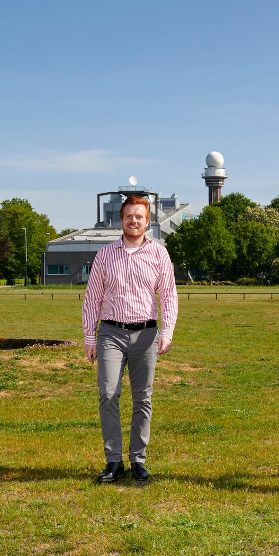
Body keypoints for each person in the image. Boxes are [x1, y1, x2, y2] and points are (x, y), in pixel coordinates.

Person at [83, 195, 179, 483]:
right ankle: (113, 461)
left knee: (143, 398)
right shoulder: (105, 255)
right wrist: (90, 336)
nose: (134, 221)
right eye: (129, 216)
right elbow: (92, 298)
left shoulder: (159, 254)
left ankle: (138, 460)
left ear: (147, 221)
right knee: (108, 394)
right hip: (111, 332)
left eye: (139, 216)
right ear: (121, 220)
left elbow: (169, 295)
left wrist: (167, 331)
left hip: (146, 334)